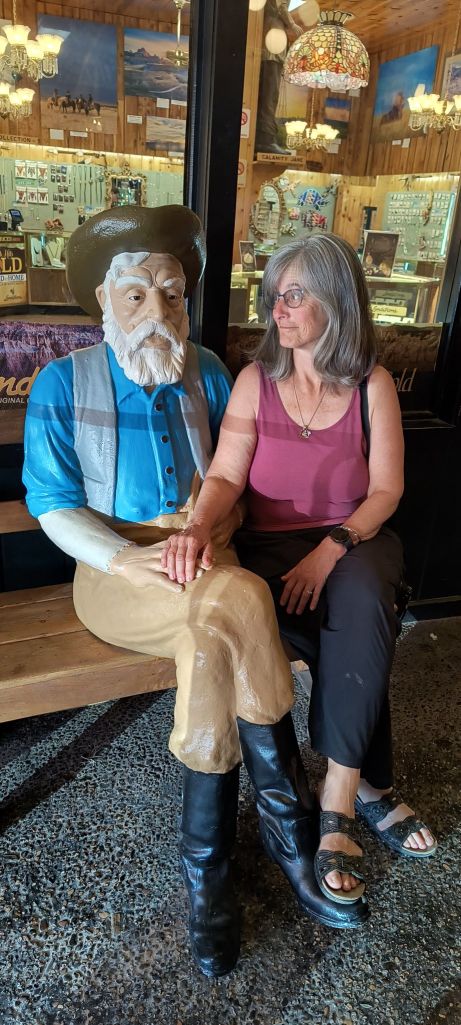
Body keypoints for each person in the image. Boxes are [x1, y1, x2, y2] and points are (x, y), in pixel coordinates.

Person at [22, 208, 367, 981]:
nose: (158, 310)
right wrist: (124, 558)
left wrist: (212, 528)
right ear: (102, 299)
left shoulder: (208, 371)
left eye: (172, 294)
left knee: (214, 632)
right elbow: (51, 502)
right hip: (118, 573)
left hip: (211, 559)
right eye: (136, 294)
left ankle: (207, 874)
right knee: (241, 602)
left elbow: (236, 481)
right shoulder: (61, 382)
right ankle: (289, 834)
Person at [162, 233, 437, 911]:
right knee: (328, 626)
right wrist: (197, 524)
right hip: (269, 543)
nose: (275, 310)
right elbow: (225, 475)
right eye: (272, 296)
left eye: (292, 296)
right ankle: (370, 783)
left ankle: (337, 796)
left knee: (363, 593)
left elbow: (386, 491)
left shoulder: (372, 384)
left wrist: (331, 547)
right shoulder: (256, 381)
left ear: (336, 301)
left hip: (353, 536)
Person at [255, 0, 303, 155]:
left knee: (268, 96)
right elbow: (280, 5)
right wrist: (292, 24)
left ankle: (264, 138)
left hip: (271, 43)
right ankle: (265, 139)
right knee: (270, 97)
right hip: (273, 46)